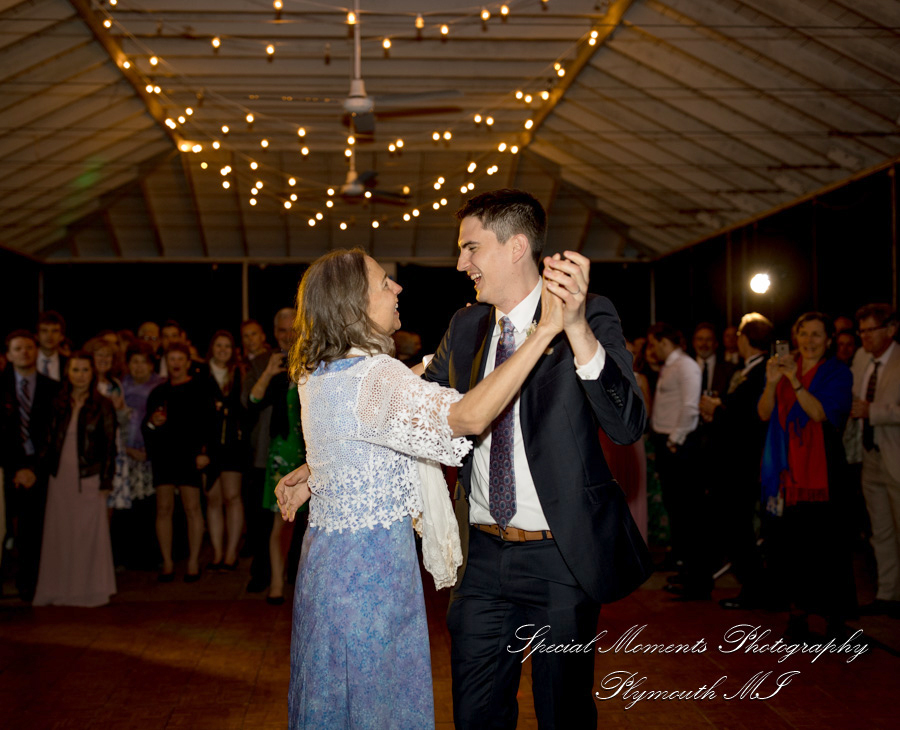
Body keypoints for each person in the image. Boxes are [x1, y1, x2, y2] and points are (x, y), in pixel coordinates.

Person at [275, 245, 569, 729]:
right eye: (383, 283)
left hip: (326, 574)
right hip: (373, 579)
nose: (397, 288)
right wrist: (543, 333)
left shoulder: (319, 372)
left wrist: (315, 472)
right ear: (353, 306)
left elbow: (368, 416)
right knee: (378, 705)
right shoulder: (376, 375)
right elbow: (470, 415)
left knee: (336, 696)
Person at [425, 189, 650, 728]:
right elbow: (417, 408)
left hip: (561, 560)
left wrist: (574, 327)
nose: (461, 264)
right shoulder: (465, 327)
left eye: (471, 248)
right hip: (479, 556)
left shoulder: (591, 314)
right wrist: (325, 459)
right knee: (476, 714)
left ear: (516, 247)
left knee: (563, 714)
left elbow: (627, 424)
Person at [758, 312, 856, 638]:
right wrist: (773, 382)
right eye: (804, 334)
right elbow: (764, 413)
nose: (809, 341)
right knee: (792, 547)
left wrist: (795, 382)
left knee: (828, 547)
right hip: (789, 471)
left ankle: (835, 619)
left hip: (824, 471)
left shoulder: (837, 372)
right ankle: (797, 614)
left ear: (828, 340)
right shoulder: (785, 366)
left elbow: (820, 414)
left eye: (817, 335)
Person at [699, 313, 774, 610]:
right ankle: (752, 586)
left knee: (739, 528)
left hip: (743, 463)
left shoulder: (761, 373)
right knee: (736, 526)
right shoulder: (752, 371)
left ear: (745, 338)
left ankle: (755, 589)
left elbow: (747, 419)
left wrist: (717, 410)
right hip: (737, 462)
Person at [33, 352, 117, 607]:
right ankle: (58, 590)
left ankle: (89, 591)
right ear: (67, 373)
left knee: (88, 535)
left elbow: (110, 447)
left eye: (85, 370)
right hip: (60, 478)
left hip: (89, 476)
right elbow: (47, 443)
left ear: (93, 374)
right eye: (75, 370)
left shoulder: (103, 404)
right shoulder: (57, 402)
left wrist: (105, 481)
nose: (80, 375)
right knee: (60, 534)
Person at [142, 342, 211, 581]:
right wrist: (153, 422)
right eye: (172, 359)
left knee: (192, 508)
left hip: (189, 456)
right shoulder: (158, 393)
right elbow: (146, 428)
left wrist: (205, 452)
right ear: (166, 362)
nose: (176, 363)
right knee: (163, 509)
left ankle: (193, 561)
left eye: (180, 359)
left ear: (188, 362)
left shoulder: (198, 389)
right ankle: (168, 562)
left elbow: (208, 424)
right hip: (164, 456)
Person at [1, 331, 59, 601]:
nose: (24, 352)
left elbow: (54, 433)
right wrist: (15, 469)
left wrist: (34, 469)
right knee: (3, 528)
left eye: (28, 347)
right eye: (17, 348)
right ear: (9, 354)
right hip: (6, 468)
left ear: (36, 351)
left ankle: (30, 584)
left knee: (33, 529)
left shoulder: (53, 387)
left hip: (39, 468)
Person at [850, 304, 900, 617]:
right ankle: (888, 593)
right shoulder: (860, 359)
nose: (865, 337)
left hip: (895, 455)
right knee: (880, 530)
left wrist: (875, 412)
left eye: (871, 330)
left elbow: (873, 408)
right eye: (862, 331)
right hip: (869, 455)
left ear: (890, 330)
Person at [205, 331, 245, 571]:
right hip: (209, 446)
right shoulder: (200, 372)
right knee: (213, 498)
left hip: (233, 445)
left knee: (232, 497)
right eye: (218, 345)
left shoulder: (239, 372)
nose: (223, 350)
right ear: (212, 348)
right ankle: (217, 552)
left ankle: (231, 553)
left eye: (227, 346)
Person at [35, 311, 67, 382]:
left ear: (62, 336)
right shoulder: (27, 360)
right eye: (44, 331)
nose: (49, 336)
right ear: (37, 336)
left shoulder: (68, 363)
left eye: (55, 331)